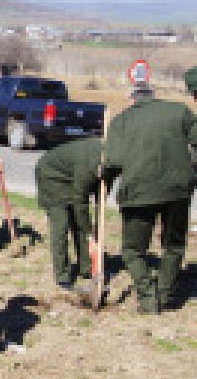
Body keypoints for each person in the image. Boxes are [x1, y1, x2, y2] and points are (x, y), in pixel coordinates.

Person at [104, 84, 196, 313]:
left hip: (139, 193)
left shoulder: (121, 121)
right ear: (154, 97)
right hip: (178, 191)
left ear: (132, 99)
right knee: (173, 245)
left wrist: (104, 181)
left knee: (133, 250)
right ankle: (166, 296)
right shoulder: (179, 111)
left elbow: (113, 162)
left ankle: (148, 298)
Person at [35, 138, 109, 291]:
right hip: (51, 176)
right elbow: (80, 201)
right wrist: (90, 232)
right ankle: (62, 275)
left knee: (81, 223)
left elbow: (102, 190)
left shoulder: (111, 161)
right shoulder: (88, 165)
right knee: (61, 225)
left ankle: (87, 267)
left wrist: (98, 214)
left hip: (71, 176)